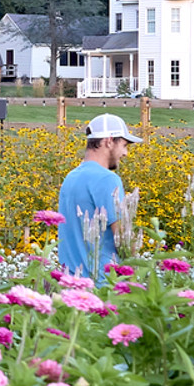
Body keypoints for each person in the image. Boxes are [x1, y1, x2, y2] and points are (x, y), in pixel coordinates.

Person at [55, 112, 141, 283]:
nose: (125, 153)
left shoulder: (70, 178)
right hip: (102, 286)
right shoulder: (107, 179)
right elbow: (122, 239)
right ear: (109, 141)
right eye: (124, 145)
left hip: (70, 284)